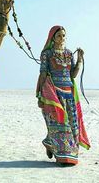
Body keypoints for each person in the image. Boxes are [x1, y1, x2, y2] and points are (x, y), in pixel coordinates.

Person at [36, 25, 90, 165]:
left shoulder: (69, 53)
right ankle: (63, 157)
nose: (62, 38)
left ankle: (55, 147)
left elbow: (73, 75)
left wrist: (79, 59)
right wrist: (39, 94)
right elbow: (42, 73)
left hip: (69, 95)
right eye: (59, 35)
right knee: (60, 125)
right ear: (53, 37)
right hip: (54, 94)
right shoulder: (46, 54)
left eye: (64, 36)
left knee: (71, 125)